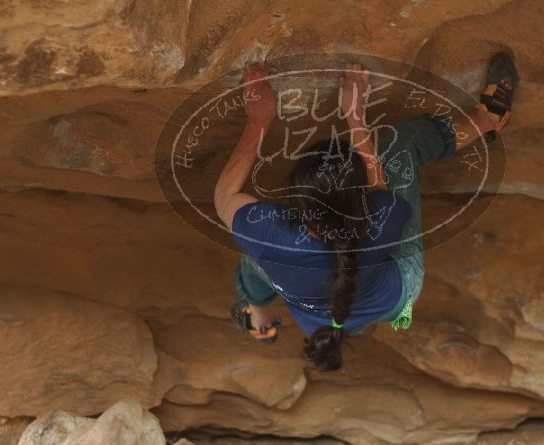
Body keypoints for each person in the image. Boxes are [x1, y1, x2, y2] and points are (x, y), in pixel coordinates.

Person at [215, 54, 518, 371]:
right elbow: (379, 187)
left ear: (294, 201)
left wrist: (258, 120)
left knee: (253, 254)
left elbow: (225, 196)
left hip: (319, 317)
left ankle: (258, 315)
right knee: (402, 143)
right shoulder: (379, 219)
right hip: (395, 293)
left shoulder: (269, 233)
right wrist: (355, 117)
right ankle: (489, 119)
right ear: (360, 197)